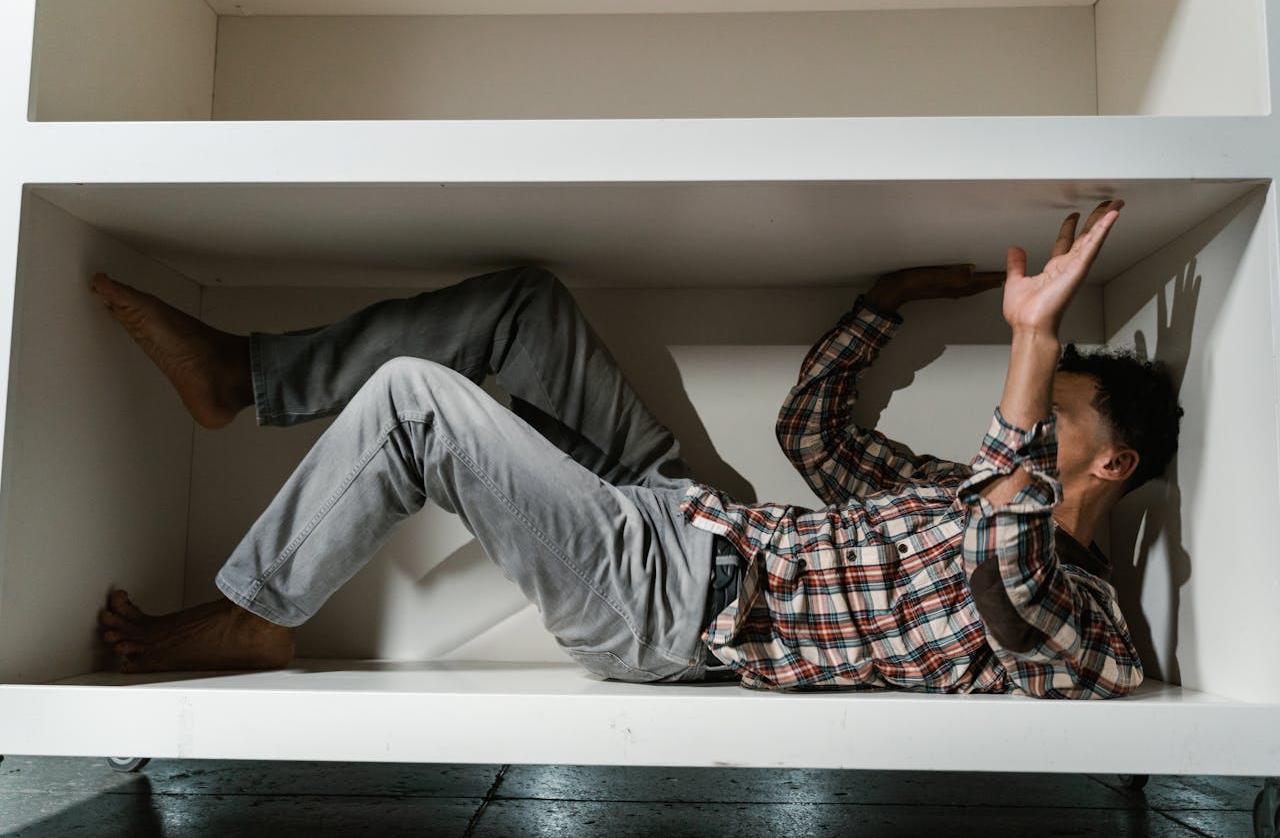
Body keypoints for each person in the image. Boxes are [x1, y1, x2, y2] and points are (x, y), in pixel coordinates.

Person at [94, 199, 1182, 698]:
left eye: (1056, 414)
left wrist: (1031, 337)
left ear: (1110, 467)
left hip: (674, 605)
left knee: (413, 405)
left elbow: (1003, 578)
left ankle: (259, 612)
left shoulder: (1094, 635)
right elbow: (808, 434)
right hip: (686, 511)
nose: (1031, 420)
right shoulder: (954, 492)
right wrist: (881, 303)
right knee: (523, 306)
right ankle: (247, 376)